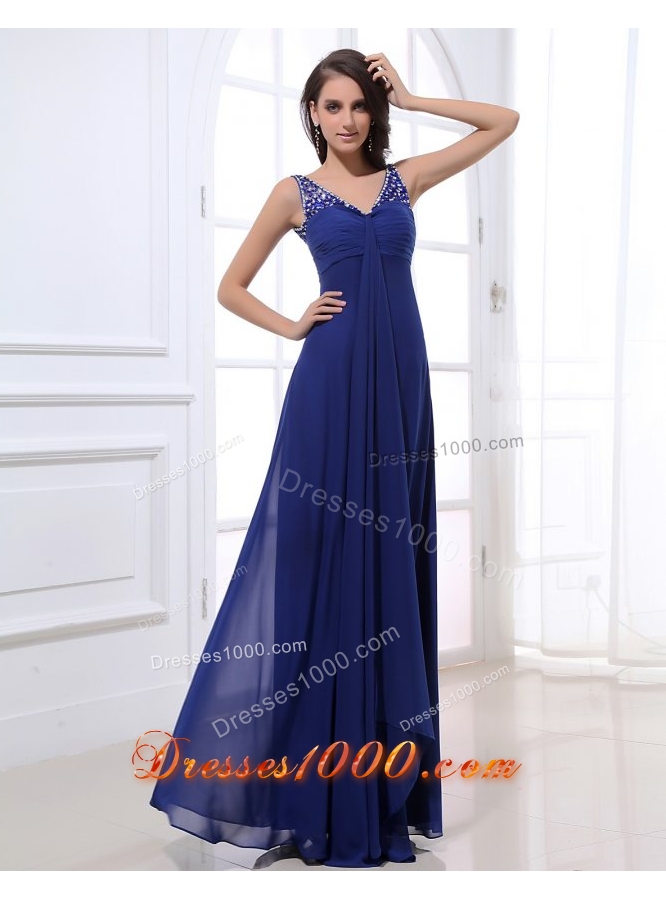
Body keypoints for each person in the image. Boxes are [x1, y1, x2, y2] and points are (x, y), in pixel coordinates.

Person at [148, 48, 519, 869]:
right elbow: (230, 286)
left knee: (388, 564)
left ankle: (378, 789)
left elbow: (503, 121)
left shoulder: (404, 181)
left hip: (399, 389)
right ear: (312, 114)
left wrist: (415, 96)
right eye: (331, 106)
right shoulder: (295, 193)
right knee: (317, 565)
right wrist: (292, 326)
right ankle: (307, 790)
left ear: (372, 112)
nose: (346, 119)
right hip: (328, 385)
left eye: (358, 105)